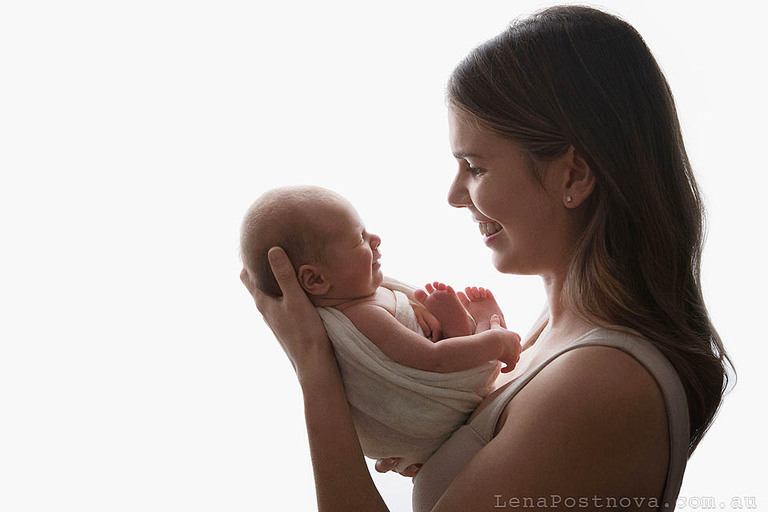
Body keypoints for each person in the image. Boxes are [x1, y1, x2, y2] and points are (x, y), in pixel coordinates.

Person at [240, 5, 732, 511]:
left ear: (573, 176)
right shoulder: (556, 333)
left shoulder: (601, 380)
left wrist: (315, 369)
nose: (455, 195)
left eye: (474, 166)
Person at [240, 186, 522, 473]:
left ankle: (467, 327)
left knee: (441, 318)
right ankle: (485, 330)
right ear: (315, 279)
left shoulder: (362, 294)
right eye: (359, 238)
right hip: (434, 399)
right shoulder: (365, 315)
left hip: (434, 377)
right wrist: (497, 343)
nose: (374, 239)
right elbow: (434, 359)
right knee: (467, 343)